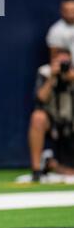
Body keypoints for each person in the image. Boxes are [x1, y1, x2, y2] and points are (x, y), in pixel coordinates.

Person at [28, 48, 74, 182]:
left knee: (70, 171)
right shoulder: (45, 72)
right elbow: (40, 99)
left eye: (65, 63)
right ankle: (37, 170)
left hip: (71, 122)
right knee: (38, 117)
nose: (62, 66)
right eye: (59, 63)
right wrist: (52, 78)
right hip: (53, 122)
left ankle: (51, 164)